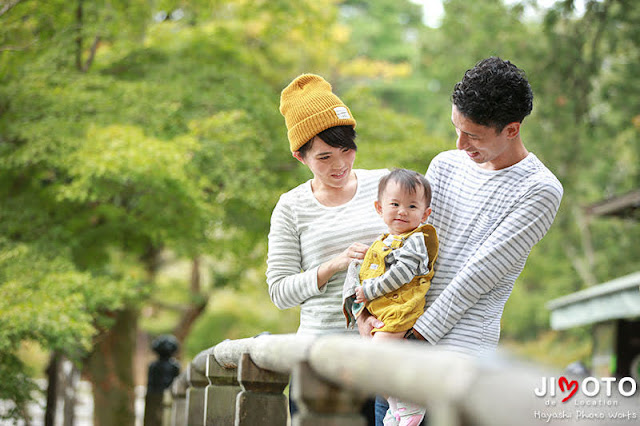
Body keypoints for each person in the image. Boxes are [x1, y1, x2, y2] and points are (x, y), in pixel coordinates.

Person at [357, 57, 564, 425]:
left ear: (512, 129)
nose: (460, 142)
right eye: (457, 128)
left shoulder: (540, 189)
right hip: (398, 343)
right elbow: (402, 247)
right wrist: (370, 314)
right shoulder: (445, 165)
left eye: (473, 135)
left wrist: (413, 337)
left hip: (457, 359)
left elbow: (478, 277)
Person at [267, 73, 388, 424]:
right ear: (299, 156)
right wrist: (332, 266)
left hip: (382, 354)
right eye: (323, 157)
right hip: (320, 359)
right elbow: (279, 292)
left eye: (346, 150)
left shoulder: (385, 184)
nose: (339, 165)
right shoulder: (291, 207)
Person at [343, 168, 438, 426]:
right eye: (394, 204)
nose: (402, 211)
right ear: (379, 207)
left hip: (402, 308)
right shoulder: (382, 241)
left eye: (411, 206)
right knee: (378, 362)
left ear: (425, 213)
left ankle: (408, 401)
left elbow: (403, 273)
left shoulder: (416, 240)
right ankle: (397, 407)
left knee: (373, 360)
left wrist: (370, 291)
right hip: (382, 311)